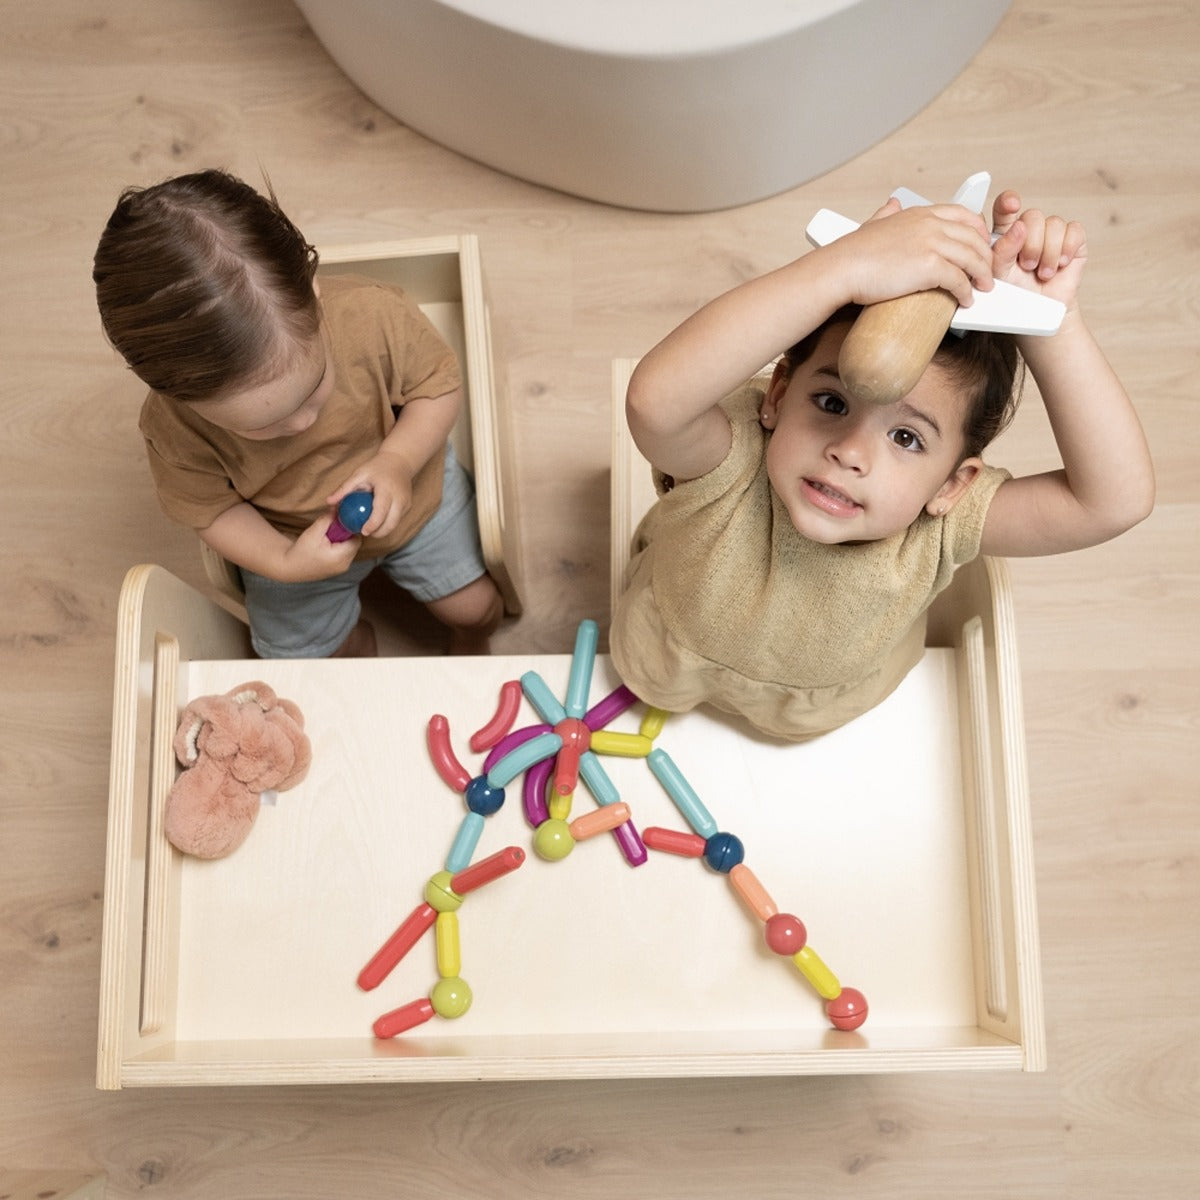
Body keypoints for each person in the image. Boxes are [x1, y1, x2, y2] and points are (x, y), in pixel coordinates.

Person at [610, 189, 1155, 740]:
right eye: (832, 403)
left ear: (951, 485)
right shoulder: (731, 461)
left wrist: (1054, 322)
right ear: (777, 395)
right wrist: (842, 269)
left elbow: (1114, 502)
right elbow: (654, 404)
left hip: (813, 711)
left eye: (905, 438)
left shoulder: (937, 526)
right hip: (666, 654)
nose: (850, 453)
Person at [94, 169, 504, 658]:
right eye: (263, 426)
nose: (301, 424)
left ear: (314, 295)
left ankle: (469, 637)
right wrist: (284, 561)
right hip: (287, 538)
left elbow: (437, 387)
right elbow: (212, 511)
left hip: (413, 489)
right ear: (178, 397)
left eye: (313, 391)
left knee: (478, 608)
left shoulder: (372, 316)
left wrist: (397, 460)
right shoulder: (174, 428)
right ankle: (356, 647)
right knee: (303, 661)